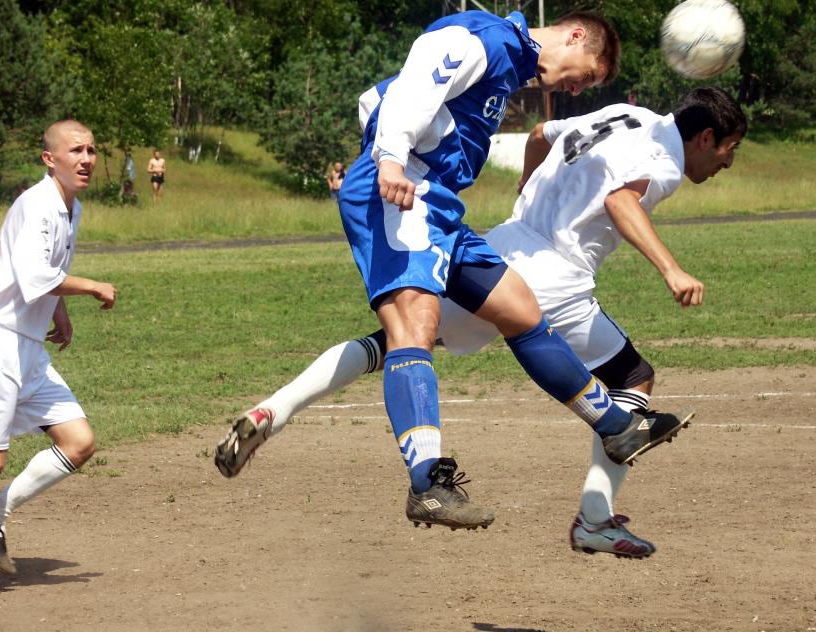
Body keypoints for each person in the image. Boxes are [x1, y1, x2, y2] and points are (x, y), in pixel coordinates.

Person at [215, 88, 746, 557]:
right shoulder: (668, 162)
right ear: (705, 137)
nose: (727, 163)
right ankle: (595, 519)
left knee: (401, 339)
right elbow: (620, 200)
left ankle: (272, 411)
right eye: (729, 149)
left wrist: (526, 187)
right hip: (554, 278)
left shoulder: (622, 115)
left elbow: (540, 134)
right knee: (633, 377)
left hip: (503, 244)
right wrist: (672, 269)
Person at [0, 120, 118, 599]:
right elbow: (38, 278)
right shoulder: (37, 205)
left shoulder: (69, 208)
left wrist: (60, 313)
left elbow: (47, 275)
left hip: (27, 347)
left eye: (92, 150)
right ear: (49, 158)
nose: (86, 159)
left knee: (78, 441)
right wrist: (93, 286)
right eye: (75, 150)